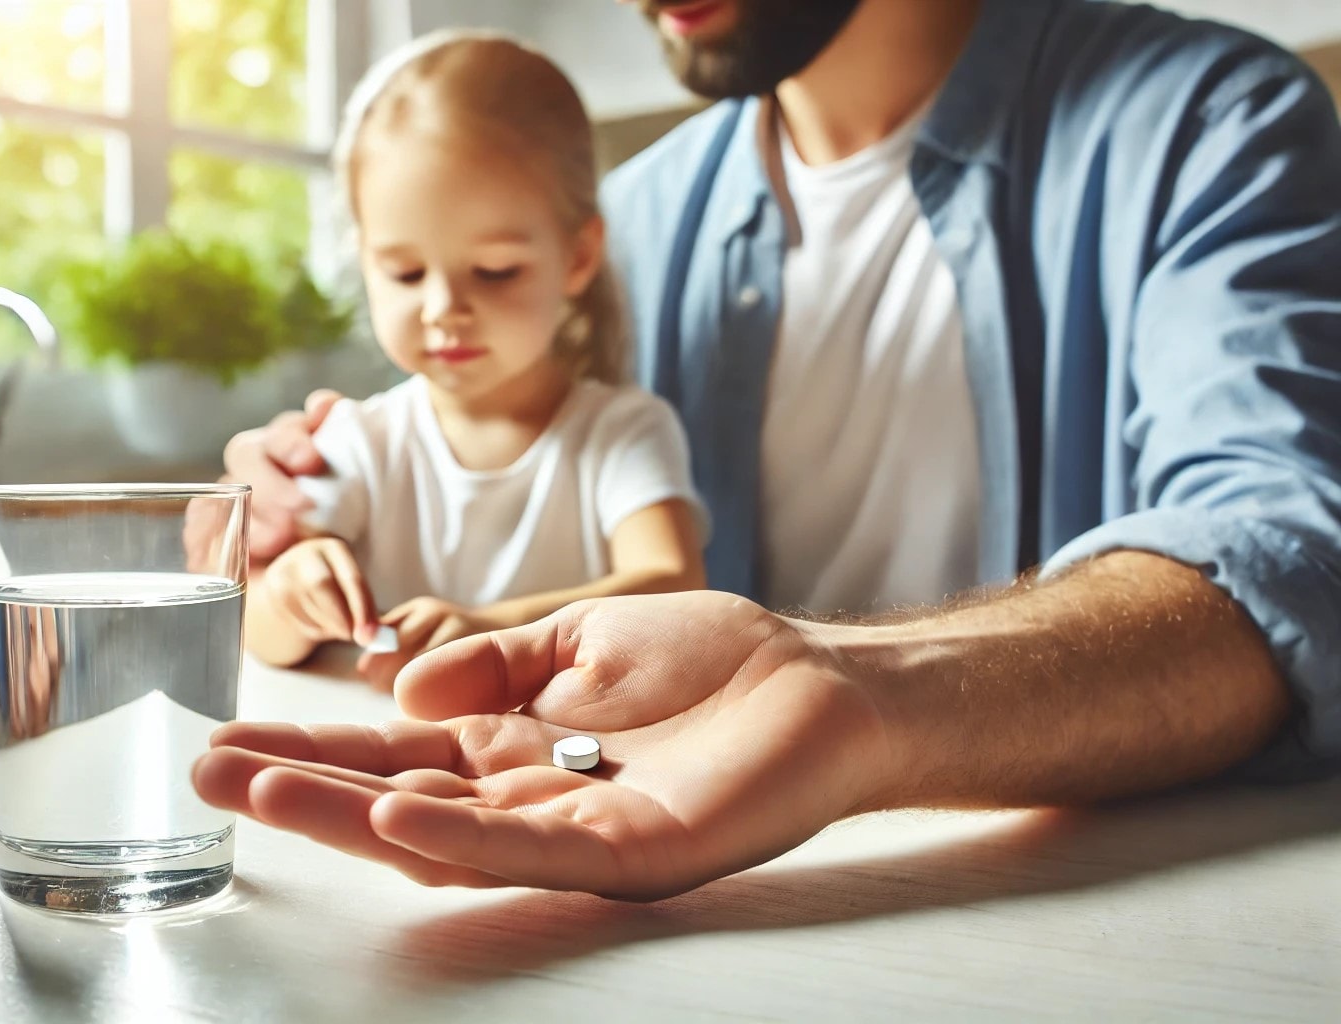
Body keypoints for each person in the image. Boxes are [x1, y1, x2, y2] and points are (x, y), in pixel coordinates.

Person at [198, 0, 1341, 899]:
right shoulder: (624, 224)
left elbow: (1289, 551)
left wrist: (857, 700)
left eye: (486, 275)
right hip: (729, 915)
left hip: (1103, 902)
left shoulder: (1207, 127)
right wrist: (281, 510)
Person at [244, 33, 707, 686]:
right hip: (391, 762)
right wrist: (291, 590)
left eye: (493, 272)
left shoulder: (623, 432)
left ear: (576, 258)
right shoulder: (359, 440)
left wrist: (497, 627)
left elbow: (674, 584)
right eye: (404, 273)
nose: (442, 308)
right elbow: (259, 625)